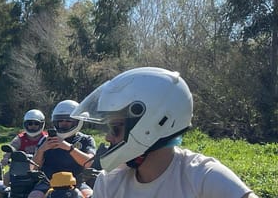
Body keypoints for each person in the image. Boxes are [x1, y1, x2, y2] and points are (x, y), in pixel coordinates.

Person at [71, 67, 258, 198]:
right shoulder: (109, 183)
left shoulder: (203, 176)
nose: (108, 137)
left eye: (116, 128)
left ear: (154, 123)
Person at [29, 100, 95, 198]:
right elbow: (33, 167)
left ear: (78, 121)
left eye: (68, 121)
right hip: (48, 182)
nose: (64, 124)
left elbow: (89, 162)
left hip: (77, 182)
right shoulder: (45, 140)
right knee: (34, 196)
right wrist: (42, 150)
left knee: (90, 195)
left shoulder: (86, 139)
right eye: (60, 121)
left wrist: (68, 147)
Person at [1, 109, 48, 185]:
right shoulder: (20, 138)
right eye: (30, 123)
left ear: (42, 124)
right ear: (25, 124)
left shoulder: (46, 138)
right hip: (21, 169)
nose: (33, 126)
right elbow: (12, 147)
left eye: (36, 124)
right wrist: (6, 158)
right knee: (6, 178)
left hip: (41, 169)